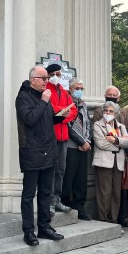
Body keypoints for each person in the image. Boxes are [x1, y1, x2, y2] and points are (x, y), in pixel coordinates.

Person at [16, 66, 66, 246]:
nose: (47, 81)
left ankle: (44, 227)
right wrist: (44, 102)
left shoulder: (43, 96)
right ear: (33, 80)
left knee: (46, 193)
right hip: (32, 151)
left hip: (48, 151)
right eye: (43, 78)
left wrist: (60, 116)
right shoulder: (23, 97)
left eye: (47, 78)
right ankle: (28, 231)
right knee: (29, 194)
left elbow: (47, 119)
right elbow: (29, 119)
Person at [45, 64, 78, 215]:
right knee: (50, 170)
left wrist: (62, 117)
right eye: (52, 73)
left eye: (58, 73)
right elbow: (49, 109)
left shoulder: (64, 92)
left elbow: (73, 110)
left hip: (63, 137)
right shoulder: (46, 91)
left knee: (60, 170)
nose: (55, 76)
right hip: (50, 137)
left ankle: (56, 199)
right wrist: (61, 112)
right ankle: (48, 201)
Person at [92, 101, 128, 223]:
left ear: (115, 114)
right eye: (106, 110)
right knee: (104, 192)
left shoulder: (121, 126)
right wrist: (120, 144)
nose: (108, 113)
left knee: (116, 192)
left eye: (111, 111)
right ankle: (103, 218)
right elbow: (101, 143)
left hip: (118, 162)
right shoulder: (97, 125)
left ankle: (113, 219)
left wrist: (115, 140)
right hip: (104, 161)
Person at [62, 78, 92, 220]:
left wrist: (86, 140)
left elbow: (87, 123)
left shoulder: (84, 105)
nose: (79, 90)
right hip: (70, 146)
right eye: (77, 88)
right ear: (70, 88)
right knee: (68, 177)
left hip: (83, 147)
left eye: (81, 88)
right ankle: (65, 203)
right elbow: (67, 126)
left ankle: (80, 207)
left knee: (81, 180)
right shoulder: (66, 102)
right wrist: (80, 141)